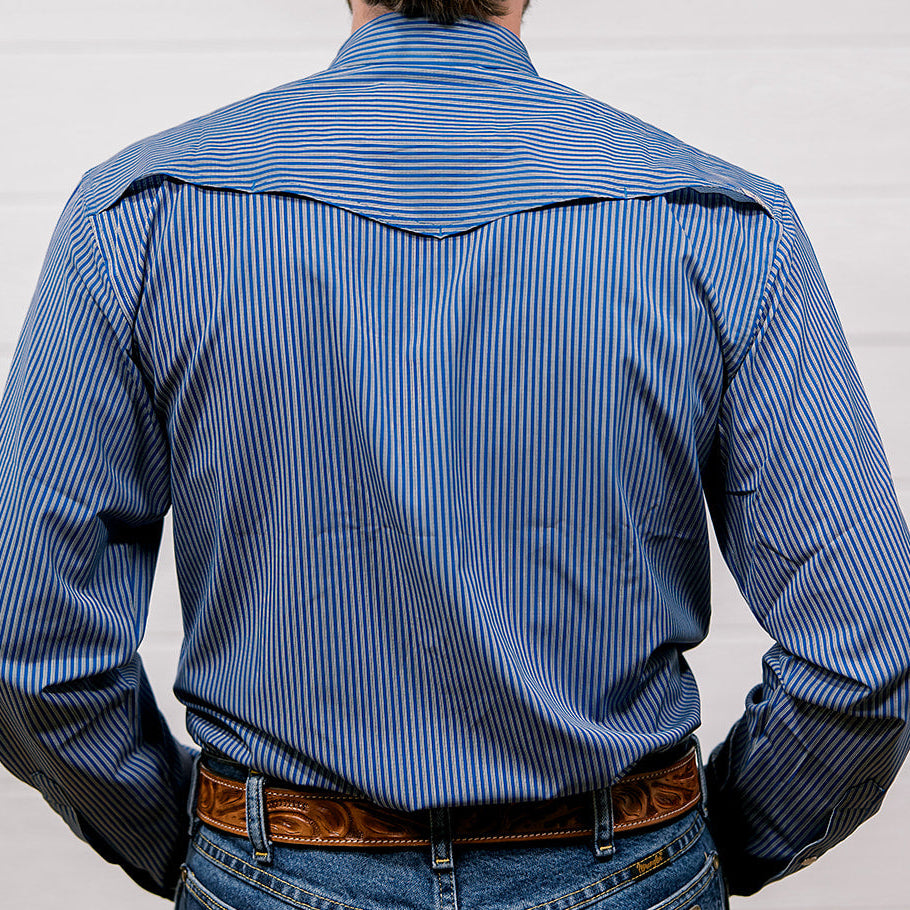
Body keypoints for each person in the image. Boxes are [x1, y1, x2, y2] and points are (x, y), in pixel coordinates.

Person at [1, 0, 909, 907]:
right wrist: (706, 847)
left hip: (272, 868)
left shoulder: (140, 215)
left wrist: (199, 845)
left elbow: (26, 638)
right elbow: (867, 656)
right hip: (631, 869)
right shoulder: (721, 223)